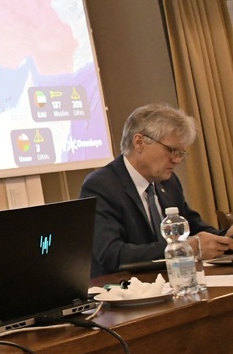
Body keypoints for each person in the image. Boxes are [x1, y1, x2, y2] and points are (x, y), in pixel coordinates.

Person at [79, 103, 232, 276]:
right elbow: (112, 255)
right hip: (126, 287)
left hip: (172, 282)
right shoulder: (101, 186)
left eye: (180, 153)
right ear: (139, 142)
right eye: (172, 150)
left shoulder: (168, 182)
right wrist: (185, 248)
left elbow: (194, 229)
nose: (177, 160)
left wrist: (227, 236)